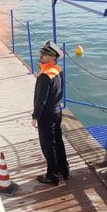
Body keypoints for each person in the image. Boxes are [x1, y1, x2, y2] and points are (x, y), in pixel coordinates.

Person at [31, 40, 69, 185]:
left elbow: (40, 100)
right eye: (42, 52)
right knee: (58, 142)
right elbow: (61, 91)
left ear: (53, 58)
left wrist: (35, 117)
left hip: (47, 115)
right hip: (57, 111)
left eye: (45, 54)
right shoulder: (58, 70)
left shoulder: (44, 76)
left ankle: (52, 176)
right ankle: (63, 171)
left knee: (48, 146)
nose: (41, 55)